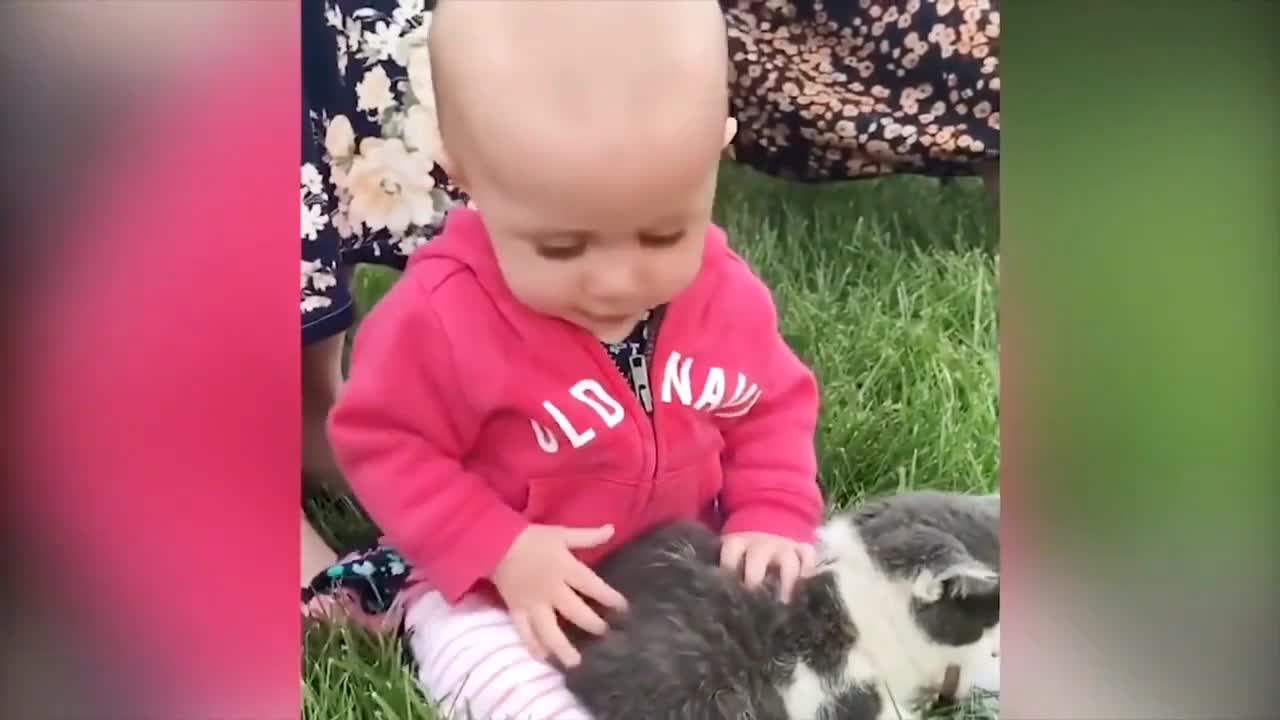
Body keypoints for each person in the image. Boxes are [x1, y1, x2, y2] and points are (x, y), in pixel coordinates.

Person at [318, 1, 826, 717]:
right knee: (491, 672)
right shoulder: (439, 317)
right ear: (462, 173)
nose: (616, 281)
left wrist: (772, 511)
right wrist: (499, 548)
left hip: (682, 564)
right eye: (562, 247)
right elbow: (384, 440)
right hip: (500, 587)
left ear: (717, 149)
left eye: (660, 234)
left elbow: (769, 406)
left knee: (810, 635)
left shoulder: (725, 295)